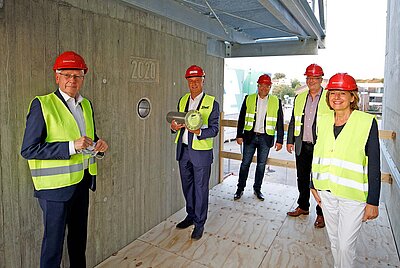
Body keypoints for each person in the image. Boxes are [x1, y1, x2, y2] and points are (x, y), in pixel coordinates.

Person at [21, 51, 108, 268]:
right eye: (67, 74)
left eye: (77, 75)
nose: (72, 80)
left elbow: (89, 139)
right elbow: (29, 149)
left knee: (78, 242)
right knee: (53, 247)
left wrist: (99, 146)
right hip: (55, 190)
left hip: (81, 184)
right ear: (57, 77)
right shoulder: (42, 104)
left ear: (83, 78)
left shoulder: (86, 104)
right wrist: (71, 146)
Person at [310, 73, 381, 267]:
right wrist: (312, 184)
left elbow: (374, 163)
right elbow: (317, 153)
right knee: (335, 242)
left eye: (343, 93)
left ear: (352, 97)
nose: (337, 97)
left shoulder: (366, 122)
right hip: (326, 191)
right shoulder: (323, 119)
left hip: (353, 195)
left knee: (345, 246)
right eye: (333, 93)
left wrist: (373, 201)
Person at [170, 65, 219, 240]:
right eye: (191, 81)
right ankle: (190, 215)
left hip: (201, 153)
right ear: (187, 82)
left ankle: (199, 223)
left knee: (200, 189)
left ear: (203, 81)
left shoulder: (212, 102)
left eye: (197, 80)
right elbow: (176, 123)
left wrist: (199, 132)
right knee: (187, 186)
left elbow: (214, 129)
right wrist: (174, 127)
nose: (194, 84)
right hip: (184, 151)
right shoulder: (183, 100)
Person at [286, 64, 331, 228]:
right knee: (302, 178)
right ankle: (303, 206)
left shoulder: (328, 97)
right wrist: (290, 140)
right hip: (301, 145)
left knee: (320, 182)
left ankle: (321, 214)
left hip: (321, 148)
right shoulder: (300, 98)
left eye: (315, 78)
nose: (311, 81)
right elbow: (293, 121)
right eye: (309, 78)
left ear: (321, 79)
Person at [234, 74, 284, 201]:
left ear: (270, 87)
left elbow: (279, 121)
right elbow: (241, 118)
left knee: (261, 165)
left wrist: (279, 140)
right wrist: (239, 135)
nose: (264, 88)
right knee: (245, 164)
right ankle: (239, 189)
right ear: (258, 86)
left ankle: (257, 189)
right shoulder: (249, 99)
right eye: (261, 85)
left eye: (267, 86)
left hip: (265, 138)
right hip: (250, 137)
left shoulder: (275, 101)